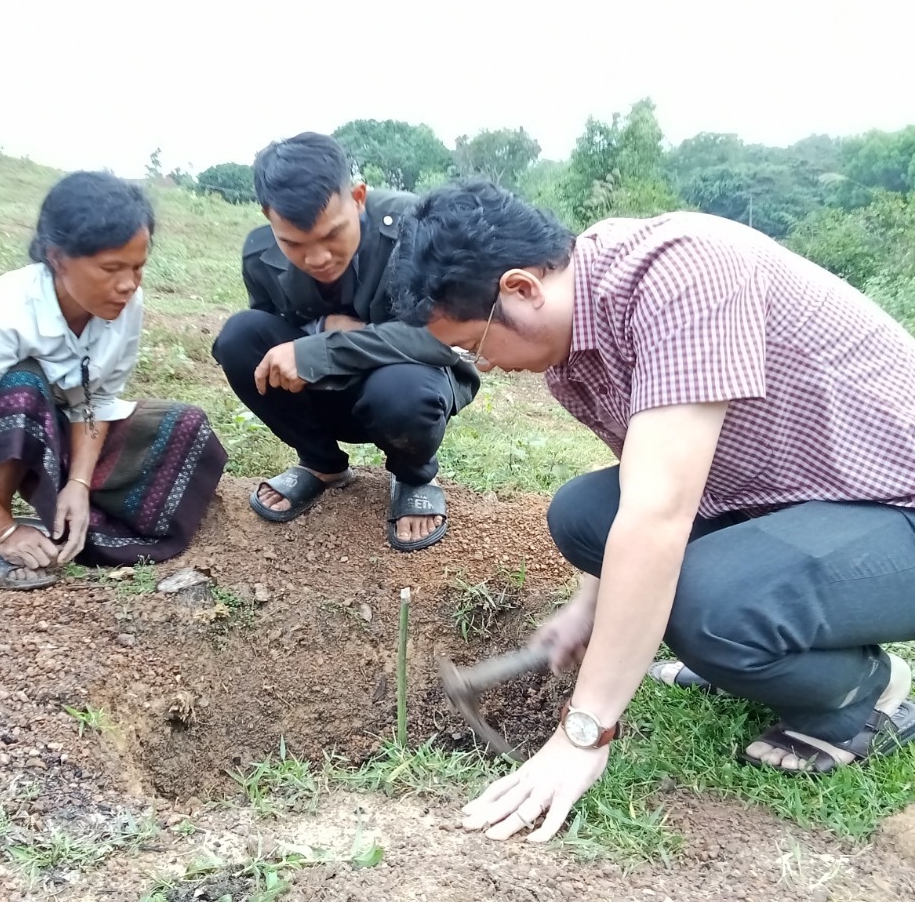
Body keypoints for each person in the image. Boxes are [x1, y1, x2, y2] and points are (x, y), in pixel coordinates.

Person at [389, 178, 915, 842]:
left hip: (897, 504)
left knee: (708, 605)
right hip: (801, 494)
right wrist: (588, 608)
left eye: (475, 344)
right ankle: (760, 640)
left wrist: (585, 733)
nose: (483, 367)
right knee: (584, 515)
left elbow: (660, 516)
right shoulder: (571, 355)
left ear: (522, 289)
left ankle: (864, 692)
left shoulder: (683, 270)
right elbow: (640, 490)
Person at [0, 171, 228, 589]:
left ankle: (70, 512)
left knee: (184, 425)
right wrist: (2, 530)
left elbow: (98, 400)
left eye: (138, 267)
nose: (128, 285)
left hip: (65, 434)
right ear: (57, 257)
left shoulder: (126, 304)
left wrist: (79, 484)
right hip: (0, 440)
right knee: (23, 386)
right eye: (111, 268)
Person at [211, 133, 479, 551]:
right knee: (240, 338)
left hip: (406, 389)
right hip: (332, 392)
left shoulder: (422, 230)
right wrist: (321, 328)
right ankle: (321, 464)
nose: (317, 258)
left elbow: (447, 339)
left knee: (404, 390)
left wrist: (323, 347)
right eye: (294, 244)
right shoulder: (258, 253)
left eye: (332, 235)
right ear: (268, 217)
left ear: (357, 197)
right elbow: (270, 328)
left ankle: (413, 474)